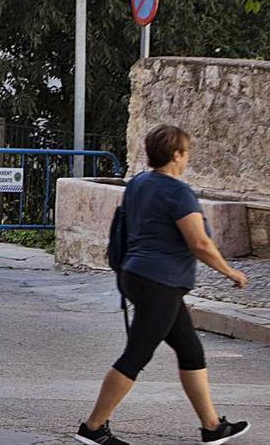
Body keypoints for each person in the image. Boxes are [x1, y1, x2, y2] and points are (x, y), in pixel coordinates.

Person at [76, 125, 251, 445]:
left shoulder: (139, 183)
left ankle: (212, 427)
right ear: (176, 155)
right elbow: (199, 243)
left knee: (190, 350)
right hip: (160, 282)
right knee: (136, 355)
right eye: (186, 152)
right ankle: (93, 428)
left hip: (137, 275)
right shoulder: (178, 192)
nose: (187, 158)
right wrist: (231, 272)